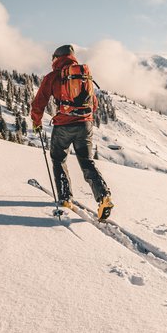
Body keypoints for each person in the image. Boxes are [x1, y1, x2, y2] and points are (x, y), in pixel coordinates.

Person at [31, 44, 114, 220]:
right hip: (85, 125)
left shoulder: (53, 76)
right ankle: (104, 197)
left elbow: (39, 102)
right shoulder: (84, 76)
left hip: (63, 125)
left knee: (59, 159)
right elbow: (95, 104)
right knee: (87, 162)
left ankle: (65, 198)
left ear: (56, 58)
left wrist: (36, 121)